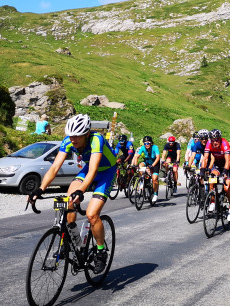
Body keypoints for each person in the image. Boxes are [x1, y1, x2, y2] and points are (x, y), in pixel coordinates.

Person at [28, 114, 116, 273]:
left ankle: (101, 251)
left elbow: (94, 170)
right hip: (87, 169)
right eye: (71, 135)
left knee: (92, 214)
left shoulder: (97, 139)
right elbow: (54, 168)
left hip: (106, 172)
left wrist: (81, 191)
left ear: (87, 133)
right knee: (67, 201)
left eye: (78, 136)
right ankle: (69, 240)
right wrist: (41, 189)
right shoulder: (68, 141)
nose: (73, 139)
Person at [202, 129, 230, 222]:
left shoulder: (224, 144)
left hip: (228, 165)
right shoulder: (209, 144)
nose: (215, 142)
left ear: (220, 139)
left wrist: (225, 172)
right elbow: (205, 158)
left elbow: (228, 160)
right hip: (217, 165)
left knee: (226, 188)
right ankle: (212, 201)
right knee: (211, 180)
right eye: (213, 140)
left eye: (217, 139)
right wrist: (202, 170)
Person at [133, 135, 161, 203]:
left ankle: (155, 194)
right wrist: (136, 165)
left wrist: (152, 165)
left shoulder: (155, 147)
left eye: (148, 143)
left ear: (151, 143)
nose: (146, 144)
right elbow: (137, 157)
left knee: (154, 179)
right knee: (141, 165)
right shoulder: (142, 148)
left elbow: (158, 158)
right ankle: (143, 181)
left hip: (155, 163)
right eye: (145, 143)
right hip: (147, 162)